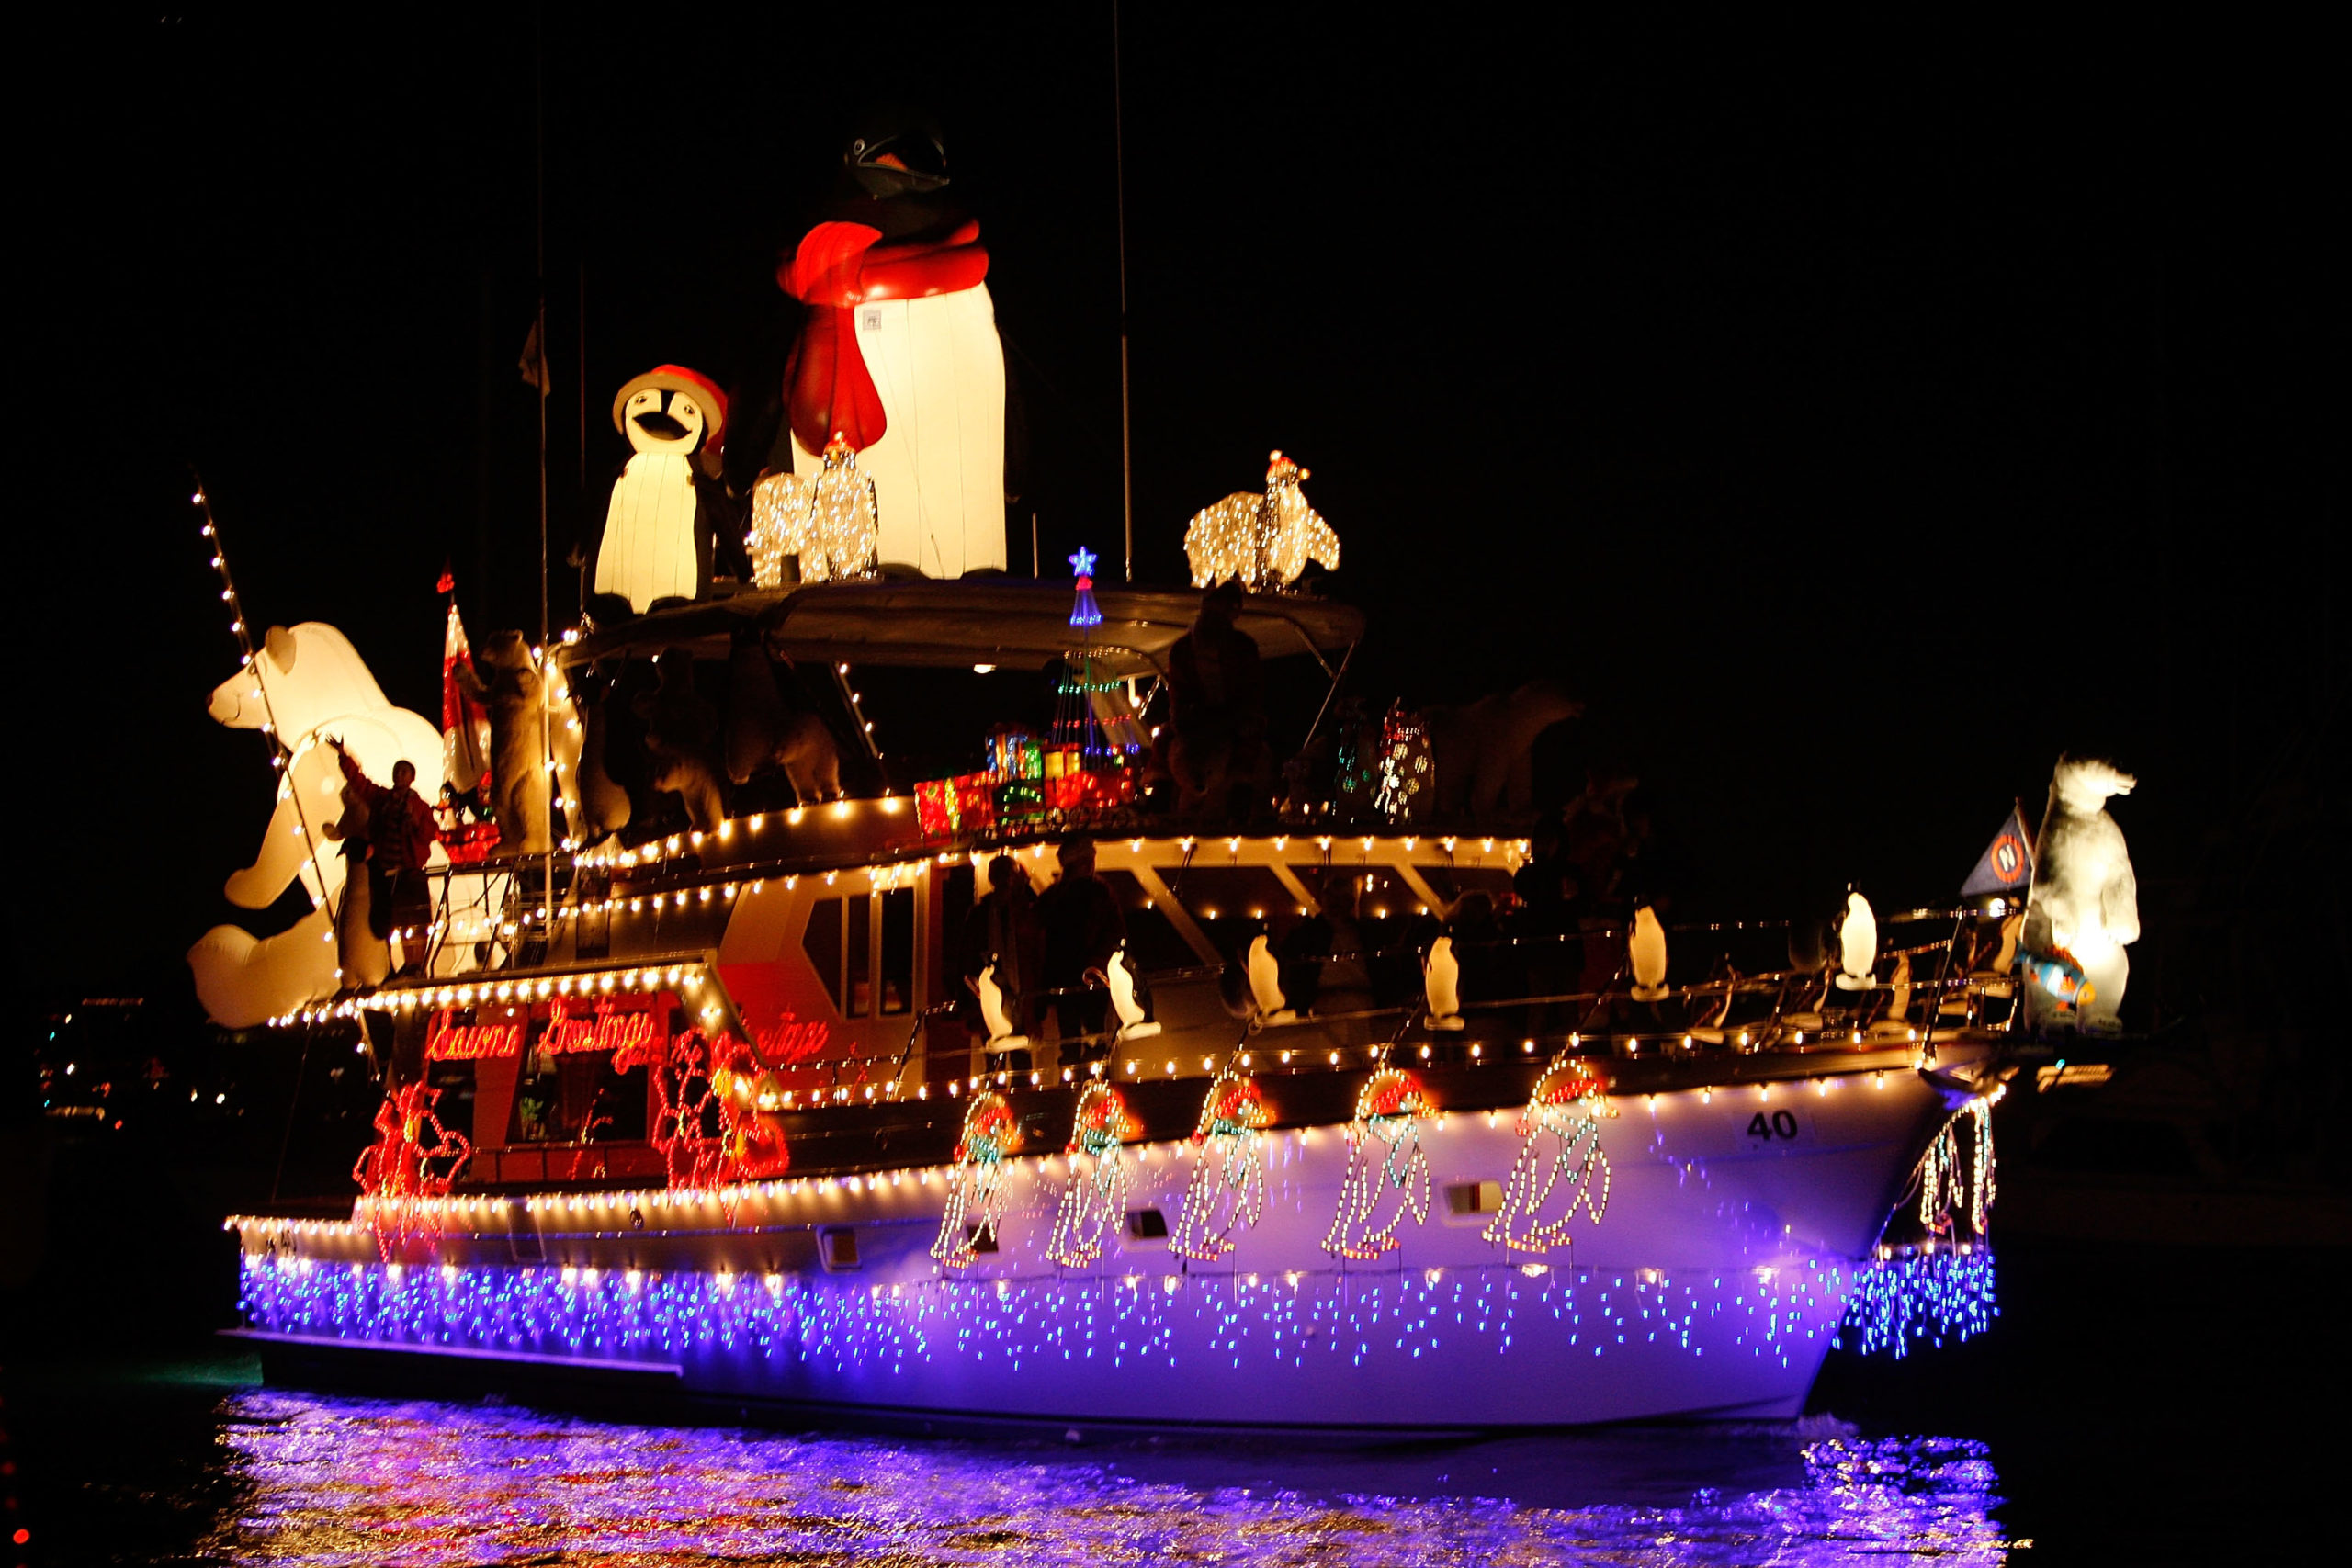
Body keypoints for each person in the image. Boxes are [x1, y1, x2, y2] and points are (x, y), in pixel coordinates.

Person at [1165, 581, 1269, 823]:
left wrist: (1239, 720)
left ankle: (1241, 813)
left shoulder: (1244, 648)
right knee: (1165, 752)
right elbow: (1178, 698)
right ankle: (1159, 812)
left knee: (1248, 759)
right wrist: (1192, 721)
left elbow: (1252, 694)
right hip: (1195, 725)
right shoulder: (1182, 651)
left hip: (1235, 723)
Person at [329, 740, 439, 964]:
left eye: (404, 771)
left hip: (410, 871)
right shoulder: (382, 799)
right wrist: (343, 756)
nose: (399, 775)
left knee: (415, 921)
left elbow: (429, 833)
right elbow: (360, 783)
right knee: (388, 920)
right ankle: (391, 965)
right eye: (397, 771)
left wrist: (415, 820)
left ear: (411, 778)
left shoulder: (420, 806)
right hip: (385, 871)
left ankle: (416, 965)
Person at [1036, 834, 1125, 1065]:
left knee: (1073, 1037)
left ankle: (1076, 1078)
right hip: (1087, 974)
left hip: (1073, 975)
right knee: (1090, 1033)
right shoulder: (1099, 893)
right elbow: (1116, 933)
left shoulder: (1054, 897)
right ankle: (1092, 1077)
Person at [959, 854, 1042, 1073]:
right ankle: (996, 1101)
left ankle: (1014, 1100)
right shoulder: (982, 915)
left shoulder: (1024, 911)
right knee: (996, 1063)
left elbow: (1034, 957)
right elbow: (968, 956)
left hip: (1020, 998)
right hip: (991, 997)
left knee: (1019, 1064)